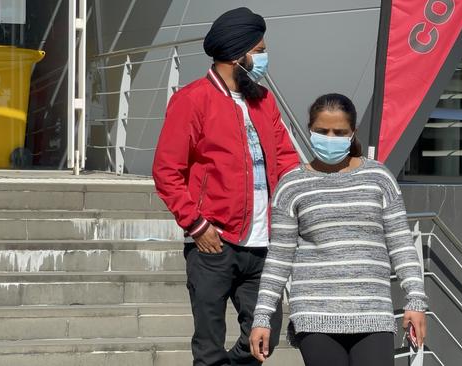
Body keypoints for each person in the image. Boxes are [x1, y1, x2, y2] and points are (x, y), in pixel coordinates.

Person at [152, 7, 299, 366]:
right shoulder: (192, 100)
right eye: (260, 50)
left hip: (263, 243)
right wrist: (196, 225)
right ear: (239, 55)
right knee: (208, 346)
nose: (264, 57)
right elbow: (166, 171)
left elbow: (287, 159)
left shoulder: (264, 101)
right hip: (214, 244)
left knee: (265, 336)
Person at [249, 93, 428, 366]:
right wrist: (262, 318)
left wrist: (415, 301)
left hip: (373, 313)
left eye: (339, 132)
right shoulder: (292, 186)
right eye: (322, 131)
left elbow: (402, 245)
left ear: (352, 133)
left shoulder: (379, 179)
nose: (330, 137)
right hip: (314, 316)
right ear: (310, 129)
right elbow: (278, 259)